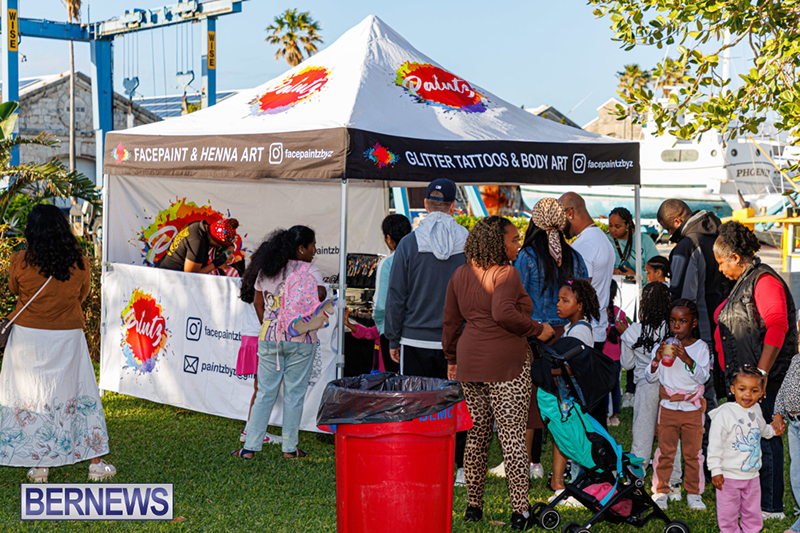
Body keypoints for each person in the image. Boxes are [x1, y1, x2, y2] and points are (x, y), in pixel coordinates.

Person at [442, 216, 554, 530]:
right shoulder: (506, 273)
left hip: (471, 362)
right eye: (514, 239)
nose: (518, 244)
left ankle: (473, 507)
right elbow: (503, 312)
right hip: (506, 364)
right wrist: (538, 329)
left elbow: (450, 322)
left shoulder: (460, 274)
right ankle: (520, 511)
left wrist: (451, 358)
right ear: (497, 242)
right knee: (512, 436)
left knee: (476, 436)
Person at [1, 204, 116, 483]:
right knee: (80, 394)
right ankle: (95, 465)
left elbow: (15, 289)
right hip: (67, 336)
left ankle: (40, 467)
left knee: (33, 397)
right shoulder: (80, 262)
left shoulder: (20, 261)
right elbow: (82, 294)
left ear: (31, 231)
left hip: (28, 337)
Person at [490, 197, 587, 482]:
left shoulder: (527, 257)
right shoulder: (575, 257)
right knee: (563, 404)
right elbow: (584, 296)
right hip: (567, 338)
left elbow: (514, 300)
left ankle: (524, 464)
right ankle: (561, 469)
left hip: (534, 336)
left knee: (528, 402)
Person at [385, 178, 469, 484]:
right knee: (456, 404)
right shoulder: (467, 243)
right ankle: (460, 468)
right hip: (456, 342)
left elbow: (397, 295)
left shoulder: (409, 244)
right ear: (453, 206)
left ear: (425, 204)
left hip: (414, 339)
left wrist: (393, 337)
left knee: (415, 403)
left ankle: (417, 462)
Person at [713, 220, 797, 521]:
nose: (720, 269)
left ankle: (771, 506)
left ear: (736, 257)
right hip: (745, 380)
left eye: (721, 262)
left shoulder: (764, 281)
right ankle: (751, 497)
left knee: (766, 439)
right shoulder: (744, 280)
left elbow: (778, 326)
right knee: (748, 438)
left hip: (763, 381)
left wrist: (761, 375)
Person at [233, 226, 328, 460]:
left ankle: (250, 447)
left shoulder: (267, 269)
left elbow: (258, 303)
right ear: (301, 248)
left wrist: (271, 326)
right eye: (312, 245)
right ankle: (289, 448)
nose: (315, 250)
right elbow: (321, 296)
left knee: (264, 393)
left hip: (269, 338)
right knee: (295, 394)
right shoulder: (310, 270)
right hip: (302, 339)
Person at [657, 198, 726, 484]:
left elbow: (681, 300)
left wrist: (680, 335)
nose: (670, 234)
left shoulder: (686, 246)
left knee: (702, 401)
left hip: (699, 336)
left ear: (676, 221)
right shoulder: (719, 235)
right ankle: (719, 460)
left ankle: (705, 465)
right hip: (725, 330)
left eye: (667, 228)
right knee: (719, 400)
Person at [646, 299, 711, 511]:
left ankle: (694, 493)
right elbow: (650, 377)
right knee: (665, 452)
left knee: (694, 454)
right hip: (668, 408)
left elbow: (703, 377)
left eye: (683, 321)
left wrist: (687, 359)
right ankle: (660, 491)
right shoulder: (663, 346)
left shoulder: (701, 348)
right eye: (673, 320)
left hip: (692, 409)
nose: (676, 325)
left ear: (694, 323)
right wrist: (656, 360)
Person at [620, 282, 682, 495]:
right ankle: (674, 482)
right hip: (670, 387)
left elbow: (627, 364)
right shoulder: (672, 330)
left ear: (643, 304)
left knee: (642, 433)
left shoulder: (632, 332)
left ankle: (636, 479)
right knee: (671, 434)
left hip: (645, 386)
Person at [559, 192, 614, 430]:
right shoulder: (601, 238)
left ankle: (592, 448)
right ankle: (598, 446)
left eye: (560, 217)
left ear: (570, 213)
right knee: (592, 400)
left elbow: (577, 291)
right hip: (595, 329)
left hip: (583, 332)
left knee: (584, 405)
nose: (558, 225)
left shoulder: (584, 245)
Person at [708, 366, 784, 533]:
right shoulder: (725, 414)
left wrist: (774, 431)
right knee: (728, 511)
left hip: (752, 476)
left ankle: (751, 530)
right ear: (733, 389)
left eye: (754, 390)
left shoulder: (756, 410)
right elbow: (715, 445)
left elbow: (761, 429)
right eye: (742, 389)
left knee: (752, 510)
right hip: (728, 476)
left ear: (761, 393)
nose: (748, 394)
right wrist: (715, 470)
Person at [548, 277, 600, 505]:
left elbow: (574, 367)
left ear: (579, 305)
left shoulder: (580, 331)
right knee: (565, 436)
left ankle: (579, 489)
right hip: (567, 396)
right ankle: (561, 483)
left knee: (577, 440)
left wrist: (548, 370)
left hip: (575, 398)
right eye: (558, 299)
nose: (558, 304)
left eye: (564, 300)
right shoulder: (572, 328)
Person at [373, 214, 412, 373]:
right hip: (415, 331)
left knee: (395, 380)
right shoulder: (418, 259)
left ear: (388, 238)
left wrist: (381, 326)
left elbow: (381, 305)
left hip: (392, 332)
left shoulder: (387, 263)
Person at [773, 353, 800, 533]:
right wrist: (778, 414)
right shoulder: (796, 359)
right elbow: (784, 388)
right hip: (793, 424)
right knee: (796, 474)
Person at [156, 217, 239, 273]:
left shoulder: (198, 226)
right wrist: (215, 264)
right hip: (168, 278)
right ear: (217, 241)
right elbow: (191, 275)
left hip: (165, 273)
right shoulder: (198, 242)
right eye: (220, 245)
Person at [607, 206, 659, 279]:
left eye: (617, 226)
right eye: (610, 225)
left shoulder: (644, 240)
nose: (612, 229)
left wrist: (636, 276)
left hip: (639, 284)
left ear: (627, 225)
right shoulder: (605, 240)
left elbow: (656, 270)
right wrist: (610, 271)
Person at [603, 280, 627, 427]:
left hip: (603, 355)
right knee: (615, 386)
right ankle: (615, 416)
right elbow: (627, 332)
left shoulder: (600, 313)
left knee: (604, 386)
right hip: (616, 356)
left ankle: (605, 415)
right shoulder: (620, 313)